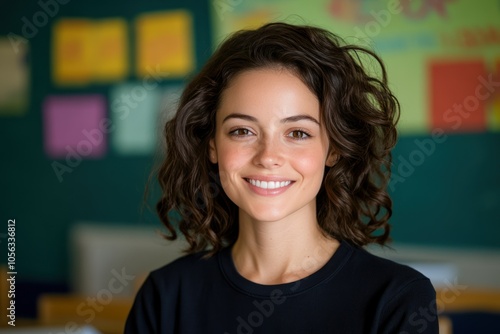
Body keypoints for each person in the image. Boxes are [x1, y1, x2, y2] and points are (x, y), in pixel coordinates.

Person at [125, 22, 438, 333]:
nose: (268, 156)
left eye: (298, 133)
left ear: (333, 150)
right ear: (213, 147)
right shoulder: (164, 296)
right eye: (242, 131)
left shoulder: (398, 299)